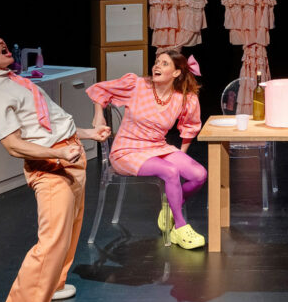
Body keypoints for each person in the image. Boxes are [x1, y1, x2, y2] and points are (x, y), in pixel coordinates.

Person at [0, 23, 111, 302]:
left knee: (69, 232)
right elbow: (14, 145)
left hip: (68, 157)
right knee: (51, 242)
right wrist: (58, 154)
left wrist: (87, 134)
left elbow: (48, 124)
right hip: (50, 167)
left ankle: (53, 284)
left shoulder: (13, 81)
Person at [87, 48, 208, 249]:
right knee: (170, 171)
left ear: (176, 72)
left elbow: (190, 127)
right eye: (157, 62)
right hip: (127, 150)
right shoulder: (137, 85)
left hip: (157, 147)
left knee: (199, 174)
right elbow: (100, 90)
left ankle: (171, 208)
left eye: (164, 63)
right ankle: (180, 227)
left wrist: (181, 155)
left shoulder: (183, 98)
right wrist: (99, 115)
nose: (157, 66)